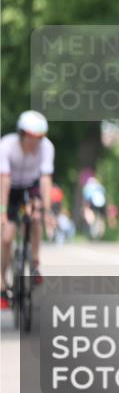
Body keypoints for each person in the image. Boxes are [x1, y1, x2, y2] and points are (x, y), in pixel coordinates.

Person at [0, 110, 55, 309]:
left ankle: (35, 263)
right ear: (22, 134)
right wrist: (3, 212)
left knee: (35, 217)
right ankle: (2, 282)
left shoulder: (46, 148)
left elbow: (45, 178)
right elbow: (4, 180)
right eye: (31, 138)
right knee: (6, 237)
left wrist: (47, 210)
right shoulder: (6, 145)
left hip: (31, 186)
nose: (35, 143)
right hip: (10, 188)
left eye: (39, 138)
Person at [82, 175, 108, 240]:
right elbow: (104, 193)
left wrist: (85, 208)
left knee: (89, 213)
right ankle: (101, 233)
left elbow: (87, 199)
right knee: (101, 219)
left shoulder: (88, 187)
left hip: (94, 203)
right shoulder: (99, 186)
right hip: (102, 203)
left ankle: (92, 227)